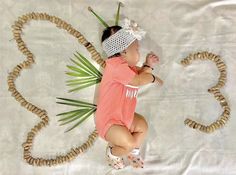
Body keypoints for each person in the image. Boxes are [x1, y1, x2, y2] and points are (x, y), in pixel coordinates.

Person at [95, 19, 163, 170]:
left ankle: (133, 151)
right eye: (136, 49)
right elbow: (138, 80)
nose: (138, 52)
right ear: (123, 52)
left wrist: (148, 65)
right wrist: (152, 78)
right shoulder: (115, 66)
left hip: (123, 117)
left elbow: (139, 74)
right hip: (109, 122)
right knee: (128, 142)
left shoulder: (128, 67)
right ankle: (113, 153)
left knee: (142, 125)